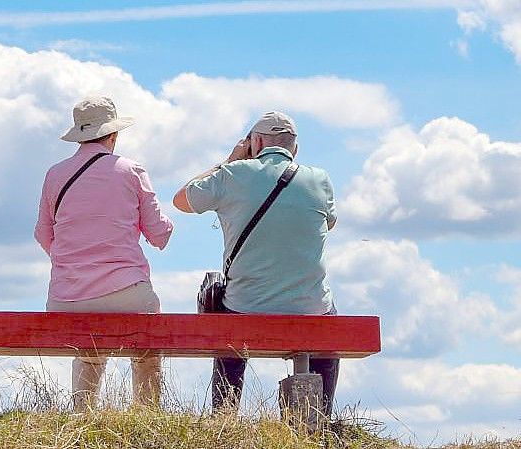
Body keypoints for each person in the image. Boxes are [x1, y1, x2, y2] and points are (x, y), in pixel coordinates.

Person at [172, 111, 339, 416]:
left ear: (256, 142)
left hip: (245, 306)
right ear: (294, 148)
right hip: (308, 307)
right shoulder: (320, 179)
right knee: (328, 314)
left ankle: (224, 416)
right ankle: (319, 420)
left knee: (223, 308)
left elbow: (181, 199)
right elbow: (329, 224)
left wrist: (230, 160)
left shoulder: (233, 174)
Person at [35, 96, 174, 411]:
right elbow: (159, 234)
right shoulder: (131, 170)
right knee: (148, 346)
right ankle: (147, 414)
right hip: (126, 292)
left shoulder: (55, 174)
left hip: (65, 298)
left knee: (89, 348)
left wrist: (73, 262)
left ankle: (83, 415)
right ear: (113, 134)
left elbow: (43, 234)